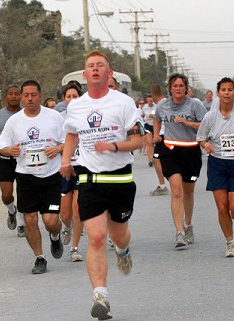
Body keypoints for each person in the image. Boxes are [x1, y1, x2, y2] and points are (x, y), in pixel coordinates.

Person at [60, 50, 144, 319]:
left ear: (109, 73)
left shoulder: (123, 103)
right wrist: (65, 161)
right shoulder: (76, 106)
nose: (95, 69)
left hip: (119, 179)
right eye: (91, 66)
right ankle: (100, 296)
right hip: (90, 179)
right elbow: (72, 134)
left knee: (118, 235)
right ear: (85, 75)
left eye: (100, 66)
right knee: (96, 237)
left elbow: (139, 141)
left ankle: (122, 249)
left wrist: (113, 145)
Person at [0, 80, 65, 275]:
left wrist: (57, 148)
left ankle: (55, 236)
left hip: (51, 176)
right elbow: (1, 146)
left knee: (51, 221)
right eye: (25, 95)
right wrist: (12, 150)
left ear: (40, 95)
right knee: (30, 220)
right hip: (26, 176)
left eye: (33, 94)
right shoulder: (14, 121)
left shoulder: (54, 117)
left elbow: (68, 140)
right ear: (21, 97)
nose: (29, 98)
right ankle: (39, 258)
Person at [196, 77, 234, 257]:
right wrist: (205, 145)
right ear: (218, 93)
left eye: (230, 90)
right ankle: (230, 243)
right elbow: (201, 138)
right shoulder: (210, 117)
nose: (227, 93)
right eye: (223, 90)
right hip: (217, 164)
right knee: (222, 207)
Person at [153, 73, 207, 248]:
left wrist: (188, 123)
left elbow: (207, 124)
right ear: (170, 88)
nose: (178, 89)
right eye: (175, 86)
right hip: (170, 150)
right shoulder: (163, 105)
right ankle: (179, 232)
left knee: (188, 192)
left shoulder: (195, 105)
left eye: (181, 86)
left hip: (191, 151)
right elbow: (156, 118)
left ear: (186, 88)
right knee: (176, 191)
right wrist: (155, 134)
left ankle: (188, 224)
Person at [0, 85, 25, 237]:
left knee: (23, 193)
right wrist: (2, 144)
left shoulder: (26, 114)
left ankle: (22, 224)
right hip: (5, 160)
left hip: (23, 159)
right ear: (6, 97)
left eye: (17, 94)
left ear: (21, 96)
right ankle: (12, 211)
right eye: (11, 94)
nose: (14, 97)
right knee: (7, 195)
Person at [57, 83, 85, 262]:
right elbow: (56, 142)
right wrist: (63, 149)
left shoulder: (87, 116)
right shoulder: (58, 119)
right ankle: (66, 227)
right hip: (65, 167)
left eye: (75, 96)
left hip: (83, 167)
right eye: (69, 97)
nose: (72, 100)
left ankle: (74, 248)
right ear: (64, 100)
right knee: (65, 214)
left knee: (78, 207)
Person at [149, 84, 169, 196]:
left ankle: (163, 185)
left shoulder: (160, 104)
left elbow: (161, 119)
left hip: (163, 135)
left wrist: (157, 135)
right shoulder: (165, 102)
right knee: (161, 159)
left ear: (153, 94)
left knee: (156, 159)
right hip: (166, 135)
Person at [141, 94, 156, 167]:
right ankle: (150, 159)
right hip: (147, 125)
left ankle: (155, 157)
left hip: (155, 125)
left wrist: (153, 116)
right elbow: (141, 115)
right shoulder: (144, 107)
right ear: (147, 101)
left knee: (155, 143)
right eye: (148, 101)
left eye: (151, 101)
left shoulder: (156, 107)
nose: (150, 103)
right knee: (149, 143)